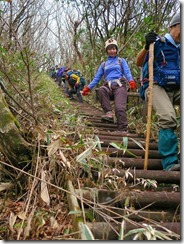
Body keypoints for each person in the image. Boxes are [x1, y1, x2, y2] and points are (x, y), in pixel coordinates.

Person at [135, 12, 180, 171]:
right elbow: (139, 62)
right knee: (168, 117)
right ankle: (169, 162)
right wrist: (147, 46)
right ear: (173, 26)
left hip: (177, 87)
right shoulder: (159, 42)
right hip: (155, 86)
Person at [81, 38, 136, 134]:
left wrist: (131, 81)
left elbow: (127, 71)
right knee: (101, 90)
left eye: (114, 48)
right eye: (109, 49)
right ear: (106, 51)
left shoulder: (121, 61)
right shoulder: (104, 64)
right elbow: (97, 78)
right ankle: (109, 113)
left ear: (116, 49)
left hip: (119, 86)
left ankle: (122, 129)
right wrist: (87, 88)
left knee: (119, 107)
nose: (112, 51)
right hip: (108, 86)